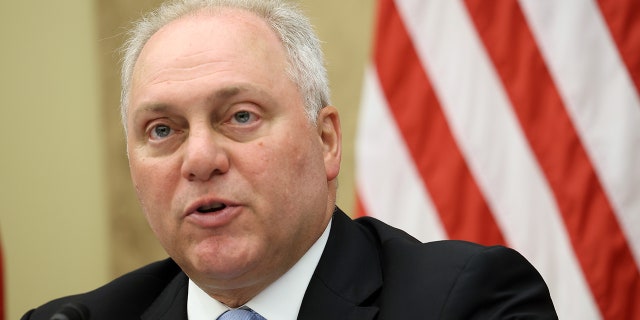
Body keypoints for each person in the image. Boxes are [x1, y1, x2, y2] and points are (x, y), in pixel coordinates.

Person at [22, 0, 558, 319]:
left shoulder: (465, 303)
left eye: (240, 116)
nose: (200, 159)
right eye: (163, 129)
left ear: (326, 141)